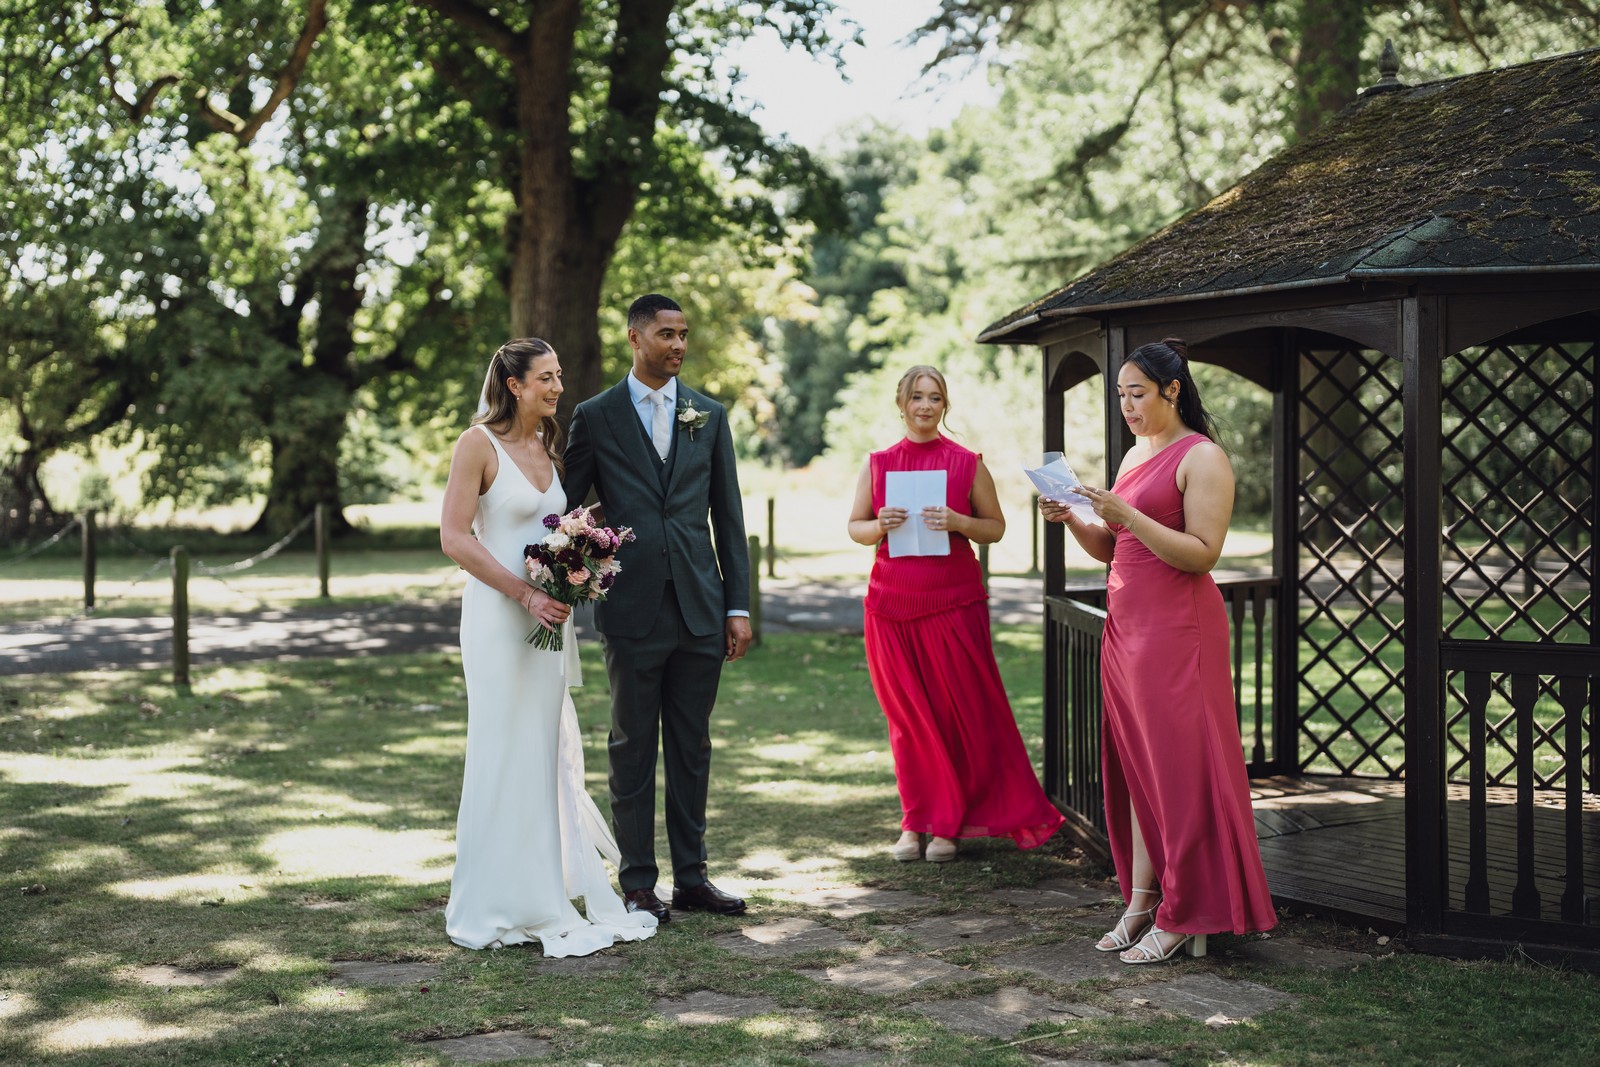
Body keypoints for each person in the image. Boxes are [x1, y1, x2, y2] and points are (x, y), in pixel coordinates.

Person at [1040, 337, 1276, 964]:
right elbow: (1116, 549)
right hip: (1127, 628)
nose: (1127, 406)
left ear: (1173, 390)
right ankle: (1144, 898)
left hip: (1179, 633)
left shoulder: (1203, 458)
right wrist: (1078, 520)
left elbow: (1202, 554)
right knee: (1142, 770)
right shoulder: (1131, 456)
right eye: (1120, 395)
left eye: (1137, 393)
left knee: (1181, 772)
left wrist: (1127, 515)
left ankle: (1188, 911)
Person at [438, 338, 658, 955]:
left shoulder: (547, 447)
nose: (558, 387)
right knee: (500, 746)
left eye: (559, 375)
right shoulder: (476, 444)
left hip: (548, 621)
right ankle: (492, 898)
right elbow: (455, 538)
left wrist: (580, 564)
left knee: (542, 749)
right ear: (514, 384)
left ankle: (540, 889)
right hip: (497, 618)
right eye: (546, 378)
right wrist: (524, 594)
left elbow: (555, 532)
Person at [562, 294, 752, 924]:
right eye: (666, 334)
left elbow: (728, 518)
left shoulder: (710, 415)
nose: (678, 345)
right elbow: (565, 507)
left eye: (684, 335)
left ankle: (693, 877)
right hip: (632, 608)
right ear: (634, 339)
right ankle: (639, 881)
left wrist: (738, 605)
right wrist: (575, 567)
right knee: (633, 746)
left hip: (701, 605)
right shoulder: (596, 415)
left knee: (692, 746)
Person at [847, 365, 1065, 864]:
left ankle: (947, 826)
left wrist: (959, 521)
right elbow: (855, 528)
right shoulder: (878, 464)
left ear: (945, 405)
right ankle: (913, 822)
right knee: (907, 721)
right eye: (917, 397)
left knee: (951, 715)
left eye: (935, 397)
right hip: (889, 607)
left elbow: (995, 528)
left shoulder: (966, 463)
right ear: (901, 403)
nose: (926, 406)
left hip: (953, 603)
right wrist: (877, 524)